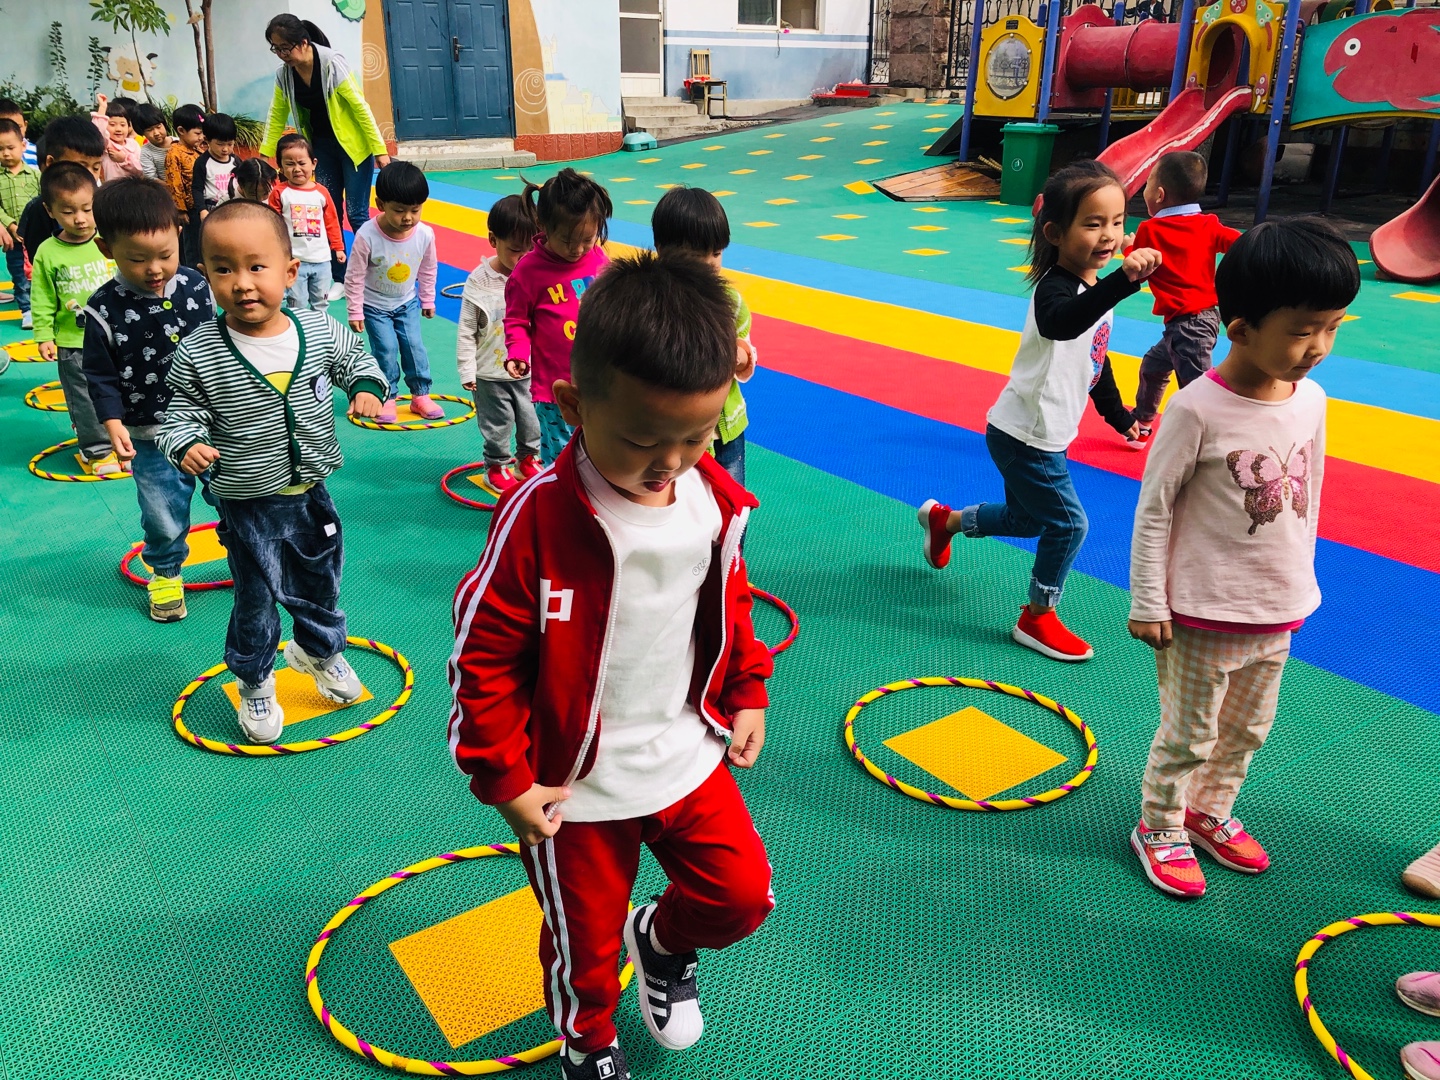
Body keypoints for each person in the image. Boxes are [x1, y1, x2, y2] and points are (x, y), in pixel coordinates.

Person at [449, 252, 775, 1080]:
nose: (670, 461)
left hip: (686, 755)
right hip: (577, 789)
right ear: (573, 406)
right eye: (641, 439)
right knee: (583, 947)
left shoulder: (711, 499)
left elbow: (729, 600)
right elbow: (481, 655)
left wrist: (746, 689)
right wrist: (505, 777)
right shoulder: (539, 518)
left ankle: (659, 942)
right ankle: (589, 1042)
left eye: (696, 437)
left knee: (741, 896)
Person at [1126, 217, 1359, 898]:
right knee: (1189, 735)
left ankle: (1210, 810)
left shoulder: (1311, 400)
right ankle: (1160, 823)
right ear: (1241, 329)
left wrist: (1299, 584)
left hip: (1275, 610)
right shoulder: (1195, 410)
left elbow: (1309, 496)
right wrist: (1148, 600)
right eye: (1303, 330)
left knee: (1248, 731)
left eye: (1333, 327)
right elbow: (1155, 509)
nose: (1319, 347)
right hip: (1201, 612)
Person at [158, 201, 386, 744]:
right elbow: (178, 412)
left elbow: (356, 360)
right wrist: (186, 442)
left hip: (311, 493)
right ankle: (256, 678)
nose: (241, 283)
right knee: (257, 599)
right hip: (247, 502)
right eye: (223, 269)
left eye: (256, 266)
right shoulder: (199, 351)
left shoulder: (318, 329)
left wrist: (366, 388)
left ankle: (317, 650)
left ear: (289, 270)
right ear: (205, 275)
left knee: (321, 584)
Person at [916, 160, 1158, 662]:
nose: (1108, 235)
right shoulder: (1057, 288)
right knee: (1069, 524)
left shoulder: (1092, 290)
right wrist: (1122, 280)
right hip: (1025, 434)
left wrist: (1122, 418)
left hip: (1041, 431)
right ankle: (1037, 616)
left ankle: (945, 521)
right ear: (1055, 233)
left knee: (1027, 520)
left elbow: (1096, 361)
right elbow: (1061, 325)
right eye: (1092, 223)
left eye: (1117, 222)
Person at [82, 177, 215, 621]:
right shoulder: (103, 309)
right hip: (151, 433)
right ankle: (166, 573)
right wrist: (112, 423)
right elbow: (99, 375)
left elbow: (223, 342)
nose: (155, 269)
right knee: (162, 512)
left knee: (234, 497)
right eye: (137, 259)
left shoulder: (197, 285)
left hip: (212, 424)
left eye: (165, 255)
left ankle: (247, 554)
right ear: (106, 249)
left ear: (179, 233)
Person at [260, 13, 389, 294]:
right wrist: (266, 154)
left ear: (303, 42)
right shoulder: (285, 75)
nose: (281, 55)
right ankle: (340, 278)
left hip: (353, 148)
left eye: (285, 48)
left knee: (356, 214)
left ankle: (374, 274)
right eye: (276, 49)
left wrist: (380, 150)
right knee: (328, 212)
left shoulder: (331, 63)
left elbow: (360, 107)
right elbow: (277, 112)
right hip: (321, 148)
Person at [1123, 151, 1242, 445]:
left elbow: (1139, 270)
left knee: (1197, 390)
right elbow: (1242, 244)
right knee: (1153, 367)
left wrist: (1128, 249)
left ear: (1159, 194)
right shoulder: (1208, 224)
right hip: (1195, 321)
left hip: (1188, 325)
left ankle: (1218, 441)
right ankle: (1143, 420)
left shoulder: (1150, 230)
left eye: (1148, 183)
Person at [651, 186, 758, 486]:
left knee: (731, 502)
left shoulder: (730, 301)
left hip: (726, 430)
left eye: (716, 253)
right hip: (678, 435)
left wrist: (741, 355)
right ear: (662, 250)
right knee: (683, 502)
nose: (710, 263)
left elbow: (745, 342)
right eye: (696, 256)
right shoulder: (653, 302)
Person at [504, 168, 612, 463]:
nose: (577, 249)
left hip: (600, 381)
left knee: (601, 452)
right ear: (543, 225)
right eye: (567, 240)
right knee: (564, 459)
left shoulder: (598, 258)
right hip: (555, 389)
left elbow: (614, 304)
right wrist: (517, 352)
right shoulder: (528, 272)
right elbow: (516, 320)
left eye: (587, 239)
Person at [31, 162, 116, 472]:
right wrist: (44, 335)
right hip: (73, 342)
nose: (80, 218)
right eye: (68, 212)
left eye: (87, 209)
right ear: (50, 210)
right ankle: (97, 450)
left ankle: (124, 439)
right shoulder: (48, 252)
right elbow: (42, 296)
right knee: (84, 398)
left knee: (119, 389)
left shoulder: (110, 241)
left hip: (115, 336)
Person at [456, 193, 541, 494]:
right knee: (497, 424)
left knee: (533, 421)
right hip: (490, 373)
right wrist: (467, 369)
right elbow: (467, 329)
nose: (524, 258)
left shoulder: (536, 275)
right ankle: (496, 465)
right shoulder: (479, 281)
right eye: (515, 250)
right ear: (493, 239)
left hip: (529, 372)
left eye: (531, 249)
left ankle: (528, 459)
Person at [344, 160, 437, 421]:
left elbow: (428, 268)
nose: (408, 217)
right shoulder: (367, 235)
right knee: (385, 349)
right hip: (374, 306)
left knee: (414, 346)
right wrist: (355, 311)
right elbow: (354, 276)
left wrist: (427, 299)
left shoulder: (425, 234)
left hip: (407, 302)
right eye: (399, 210)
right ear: (381, 204)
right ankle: (387, 396)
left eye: (415, 210)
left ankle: (420, 395)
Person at [268, 133, 344, 311]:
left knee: (320, 303)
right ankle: (298, 327)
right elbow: (272, 224)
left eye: (302, 163)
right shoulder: (279, 192)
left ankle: (320, 327)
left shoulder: (321, 193)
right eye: (289, 164)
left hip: (322, 259)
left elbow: (332, 222)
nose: (297, 169)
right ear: (280, 167)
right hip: (294, 260)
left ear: (313, 163)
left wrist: (338, 247)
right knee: (297, 303)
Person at [19, 115, 106, 265]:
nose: (90, 175)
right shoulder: (40, 209)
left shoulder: (102, 200)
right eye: (80, 167)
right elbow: (39, 260)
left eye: (96, 167)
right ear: (51, 163)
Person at [0, 118, 40, 329]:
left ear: (23, 146)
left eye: (10, 148)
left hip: (35, 238)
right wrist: (11, 225)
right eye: (0, 149)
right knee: (19, 276)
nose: (6, 153)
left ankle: (44, 309)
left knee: (40, 274)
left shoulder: (35, 175)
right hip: (13, 241)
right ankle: (26, 311)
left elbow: (43, 202)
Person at [193, 112, 237, 223]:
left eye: (230, 144)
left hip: (233, 206)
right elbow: (197, 189)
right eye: (220, 144)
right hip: (212, 208)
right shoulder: (202, 162)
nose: (225, 149)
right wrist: (202, 210)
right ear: (207, 140)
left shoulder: (235, 161)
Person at [91, 94, 141, 181]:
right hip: (111, 188)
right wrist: (102, 108)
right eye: (112, 124)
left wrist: (124, 159)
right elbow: (97, 131)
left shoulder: (133, 144)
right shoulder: (107, 144)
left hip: (132, 187)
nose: (118, 129)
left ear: (129, 126)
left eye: (123, 125)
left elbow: (141, 170)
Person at [131, 103, 171, 181]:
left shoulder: (178, 142)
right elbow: (151, 178)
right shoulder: (146, 152)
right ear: (142, 132)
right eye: (149, 130)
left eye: (158, 127)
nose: (156, 133)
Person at [0, 98, 39, 167]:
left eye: (18, 127)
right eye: (5, 128)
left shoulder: (37, 152)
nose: (13, 132)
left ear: (25, 125)